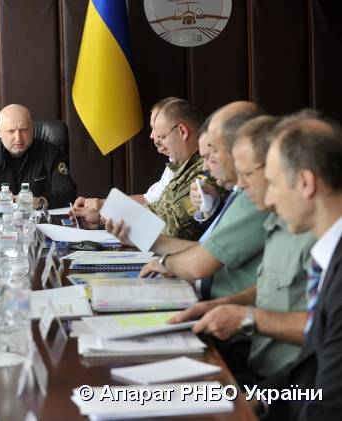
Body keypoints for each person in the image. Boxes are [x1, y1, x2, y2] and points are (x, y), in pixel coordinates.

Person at [170, 116, 315, 384]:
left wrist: (248, 317)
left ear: (305, 182)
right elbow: (271, 287)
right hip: (258, 363)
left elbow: (326, 332)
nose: (240, 184)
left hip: (288, 382)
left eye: (248, 174)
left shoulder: (319, 236)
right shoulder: (281, 220)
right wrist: (220, 306)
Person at [107, 101, 267, 299]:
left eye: (213, 153)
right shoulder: (239, 191)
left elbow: (201, 260)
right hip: (205, 297)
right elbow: (206, 249)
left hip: (215, 304)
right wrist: (144, 238)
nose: (206, 166)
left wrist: (164, 263)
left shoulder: (255, 195)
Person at [258, 115, 342, 420]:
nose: (268, 199)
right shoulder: (330, 257)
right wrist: (257, 400)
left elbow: (329, 406)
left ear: (306, 183)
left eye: (273, 183)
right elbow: (313, 365)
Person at [75, 99, 210, 240]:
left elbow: (172, 228)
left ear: (182, 132)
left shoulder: (206, 171)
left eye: (161, 137)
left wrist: (106, 214)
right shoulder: (182, 165)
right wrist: (104, 216)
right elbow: (157, 208)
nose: (155, 139)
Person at [0, 103, 76, 208]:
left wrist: (40, 201)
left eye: (24, 130)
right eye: (11, 131)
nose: (18, 138)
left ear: (32, 128)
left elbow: (68, 192)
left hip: (39, 222)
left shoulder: (51, 153)